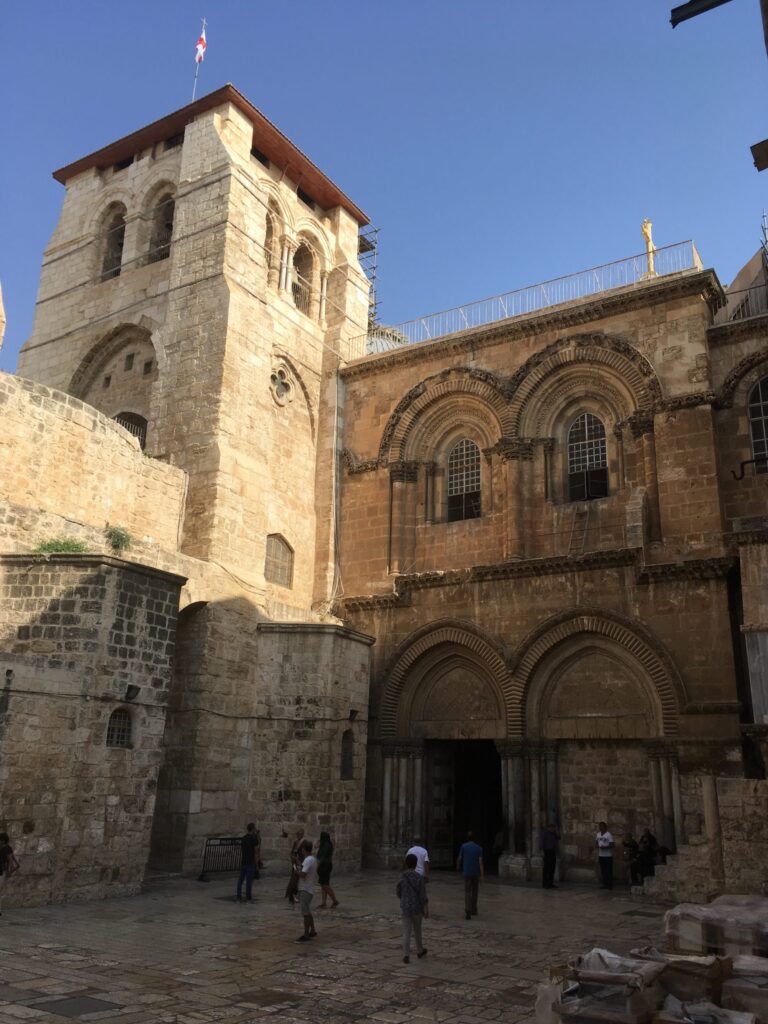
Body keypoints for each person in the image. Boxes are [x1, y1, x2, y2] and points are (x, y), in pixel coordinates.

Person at [396, 852, 428, 964]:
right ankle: (420, 950)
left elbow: (398, 891)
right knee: (417, 931)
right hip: (417, 908)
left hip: (406, 907)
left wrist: (404, 899)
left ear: (406, 863)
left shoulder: (402, 876)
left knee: (406, 932)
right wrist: (425, 909)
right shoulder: (419, 878)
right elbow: (423, 895)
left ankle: (406, 954)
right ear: (416, 864)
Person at [457, 831, 484, 920]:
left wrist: (458, 867)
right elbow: (480, 862)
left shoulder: (464, 846)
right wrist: (482, 875)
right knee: (475, 891)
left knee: (467, 891)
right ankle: (473, 909)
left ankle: (467, 909)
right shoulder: (479, 848)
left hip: (467, 872)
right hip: (475, 873)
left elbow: (460, 858)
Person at [296, 839, 318, 942]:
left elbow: (303, 874)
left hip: (305, 889)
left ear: (304, 849)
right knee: (308, 911)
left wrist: (296, 871)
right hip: (309, 888)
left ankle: (306, 934)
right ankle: (312, 930)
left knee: (305, 913)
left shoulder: (308, 860)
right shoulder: (312, 859)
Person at [236, 822, 260, 902]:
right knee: (249, 881)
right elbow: (256, 849)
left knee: (240, 880)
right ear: (253, 829)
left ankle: (238, 896)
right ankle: (248, 897)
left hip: (244, 861)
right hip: (250, 862)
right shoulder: (253, 839)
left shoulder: (243, 838)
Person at [317, 831, 339, 908]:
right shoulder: (326, 844)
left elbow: (322, 857)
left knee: (325, 884)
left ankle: (335, 900)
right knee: (323, 884)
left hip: (325, 866)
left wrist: (317, 865)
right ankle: (323, 902)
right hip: (325, 865)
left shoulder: (326, 845)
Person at [285, 828, 304, 904]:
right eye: (298, 834)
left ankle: (298, 895)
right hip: (295, 864)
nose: (298, 835)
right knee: (294, 879)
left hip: (301, 863)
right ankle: (292, 895)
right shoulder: (296, 843)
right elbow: (292, 853)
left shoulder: (304, 842)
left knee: (300, 880)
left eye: (300, 834)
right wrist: (293, 859)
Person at [539, 822, 560, 889]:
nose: (553, 829)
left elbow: (559, 838)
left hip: (552, 851)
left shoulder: (553, 833)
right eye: (552, 828)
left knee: (552, 868)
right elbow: (541, 842)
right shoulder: (544, 833)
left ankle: (550, 883)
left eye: (554, 828)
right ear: (549, 828)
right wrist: (542, 851)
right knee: (547, 868)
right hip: (547, 851)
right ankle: (545, 884)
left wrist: (556, 832)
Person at [595, 821, 615, 890]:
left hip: (608, 856)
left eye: (602, 826)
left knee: (609, 870)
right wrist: (597, 846)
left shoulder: (608, 834)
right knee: (603, 870)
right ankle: (605, 884)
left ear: (605, 827)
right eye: (600, 826)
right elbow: (596, 843)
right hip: (601, 855)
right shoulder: (598, 834)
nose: (601, 828)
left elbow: (612, 845)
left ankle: (610, 885)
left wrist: (605, 847)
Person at [0, 834, 16, 915]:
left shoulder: (7, 848)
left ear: (3, 840)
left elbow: (10, 861)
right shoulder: (2, 847)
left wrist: (9, 872)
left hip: (2, 871)